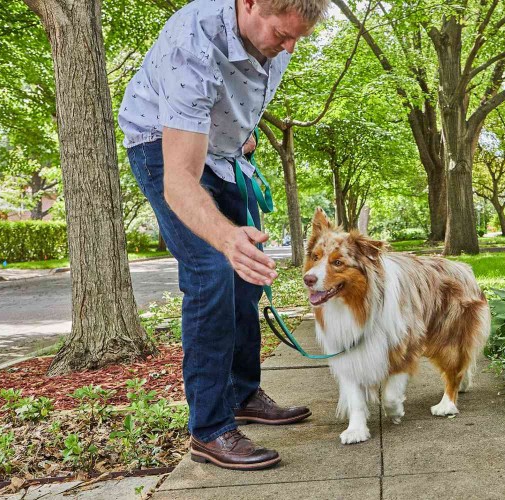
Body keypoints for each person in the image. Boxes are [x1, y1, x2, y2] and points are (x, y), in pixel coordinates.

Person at [118, 0, 329, 471]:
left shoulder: (277, 40)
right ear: (249, 3)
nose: (290, 48)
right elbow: (179, 180)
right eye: (283, 34)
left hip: (225, 153)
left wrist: (241, 135)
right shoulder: (192, 40)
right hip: (162, 146)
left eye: (299, 38)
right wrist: (225, 238)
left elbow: (239, 98)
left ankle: (243, 392)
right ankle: (209, 430)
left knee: (247, 275)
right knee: (213, 270)